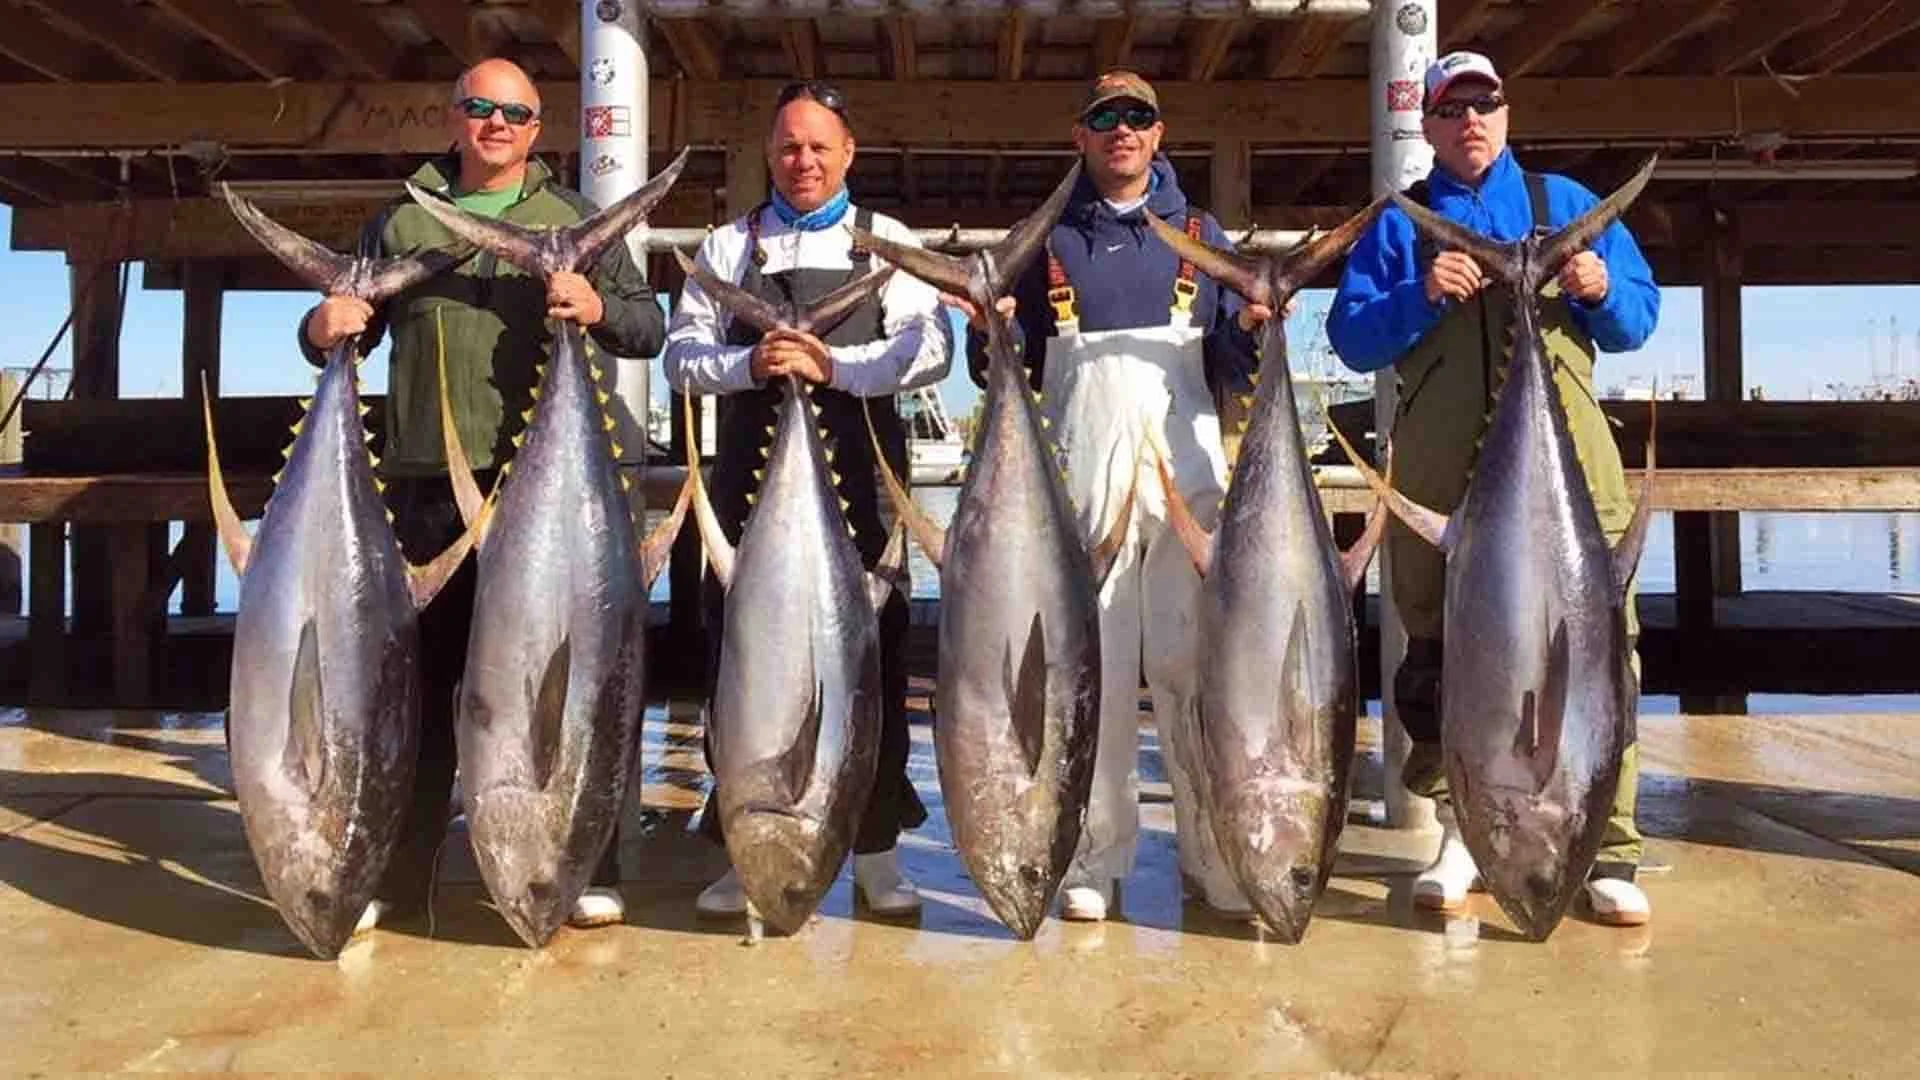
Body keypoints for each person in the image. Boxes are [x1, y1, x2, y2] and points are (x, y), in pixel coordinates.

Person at [298, 57, 667, 934]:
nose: (496, 123)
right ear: (455, 117)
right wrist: (320, 329)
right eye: (480, 108)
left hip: (551, 497)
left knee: (579, 682)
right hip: (424, 488)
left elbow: (647, 325)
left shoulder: (575, 220)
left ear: (538, 130)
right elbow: (348, 323)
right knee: (417, 687)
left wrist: (597, 306)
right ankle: (400, 870)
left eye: (515, 112)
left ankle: (582, 864)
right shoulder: (395, 224)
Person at [1325, 50, 1659, 927]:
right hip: (1438, 473)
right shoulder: (1405, 223)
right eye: (1451, 108)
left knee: (1596, 655)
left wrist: (1598, 286)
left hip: (1568, 470)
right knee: (1438, 653)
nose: (1470, 119)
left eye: (1485, 104)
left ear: (1506, 114)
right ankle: (1458, 832)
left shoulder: (1567, 208)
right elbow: (1353, 336)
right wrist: (1422, 292)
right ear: (1429, 124)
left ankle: (1610, 847)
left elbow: (1639, 317)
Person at [947, 70, 1274, 922]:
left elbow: (1229, 374)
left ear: (1159, 135)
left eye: (1138, 118)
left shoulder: (1203, 236)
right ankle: (1094, 860)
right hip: (1079, 487)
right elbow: (998, 368)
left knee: (1193, 672)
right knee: (1085, 680)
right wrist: (982, 326)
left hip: (1187, 486)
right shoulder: (1045, 237)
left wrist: (1248, 329)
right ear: (1080, 136)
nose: (1122, 131)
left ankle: (1216, 857)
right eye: (1105, 119)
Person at [662, 80, 950, 918]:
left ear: (848, 153)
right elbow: (683, 355)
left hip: (862, 487)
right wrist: (751, 366)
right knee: (738, 663)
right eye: (789, 146)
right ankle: (738, 838)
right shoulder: (725, 248)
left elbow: (930, 348)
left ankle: (877, 847)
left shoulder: (888, 244)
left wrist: (835, 368)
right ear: (769, 153)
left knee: (875, 660)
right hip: (749, 492)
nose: (804, 161)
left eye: (820, 146)